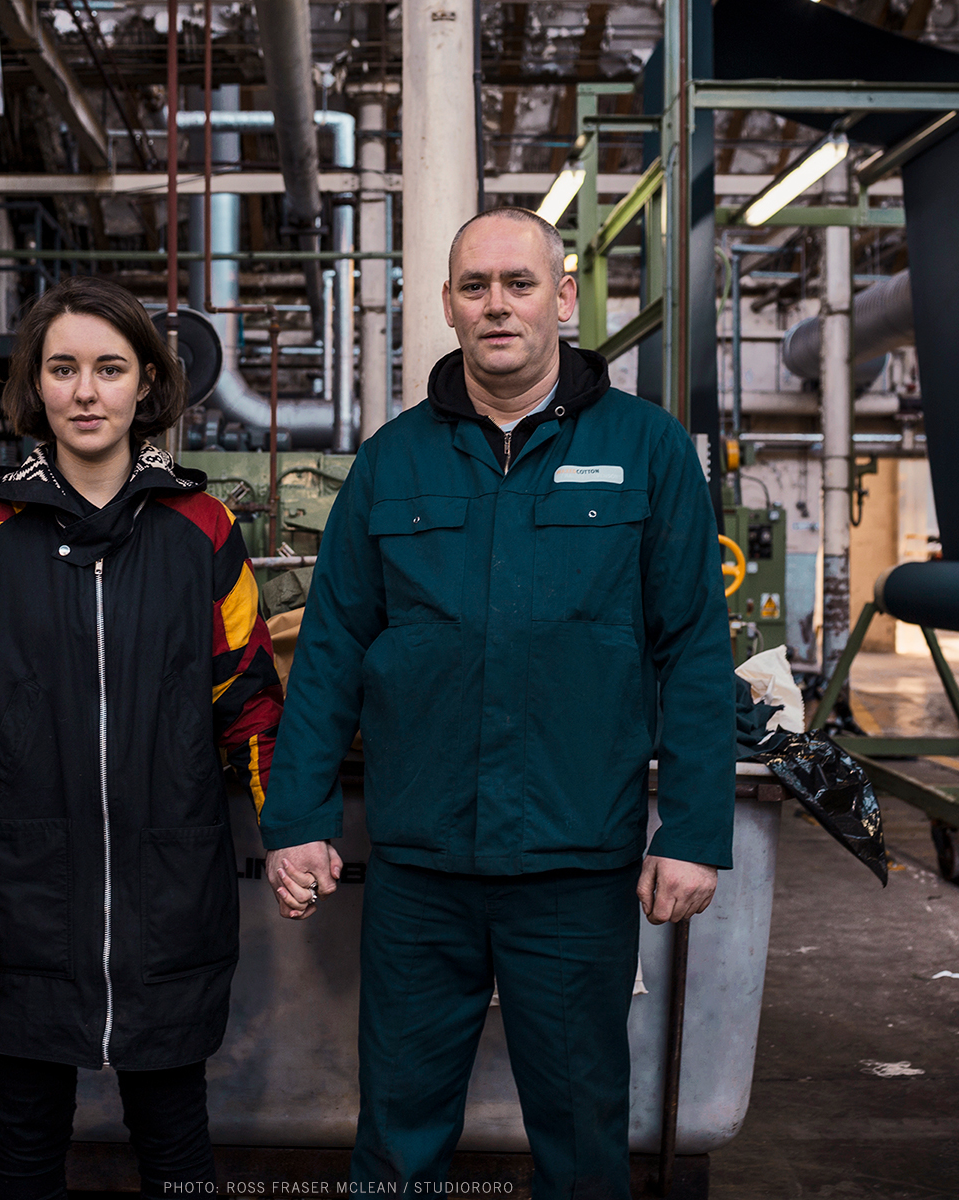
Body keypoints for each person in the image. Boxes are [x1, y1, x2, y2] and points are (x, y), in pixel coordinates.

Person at [259, 207, 734, 1199]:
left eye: (519, 284)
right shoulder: (395, 460)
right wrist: (297, 819)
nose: (497, 305)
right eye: (475, 287)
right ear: (447, 306)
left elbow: (692, 648)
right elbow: (332, 650)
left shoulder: (647, 450)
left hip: (575, 864)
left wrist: (693, 827)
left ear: (562, 297)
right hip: (422, 868)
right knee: (397, 1127)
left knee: (579, 1126)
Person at [0, 276, 284, 1199]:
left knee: (177, 1146)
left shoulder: (202, 527)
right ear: (35, 387)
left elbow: (252, 700)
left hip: (172, 893)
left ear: (146, 386)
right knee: (27, 1152)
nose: (86, 391)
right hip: (25, 900)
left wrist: (288, 832)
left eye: (110, 369)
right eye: (64, 368)